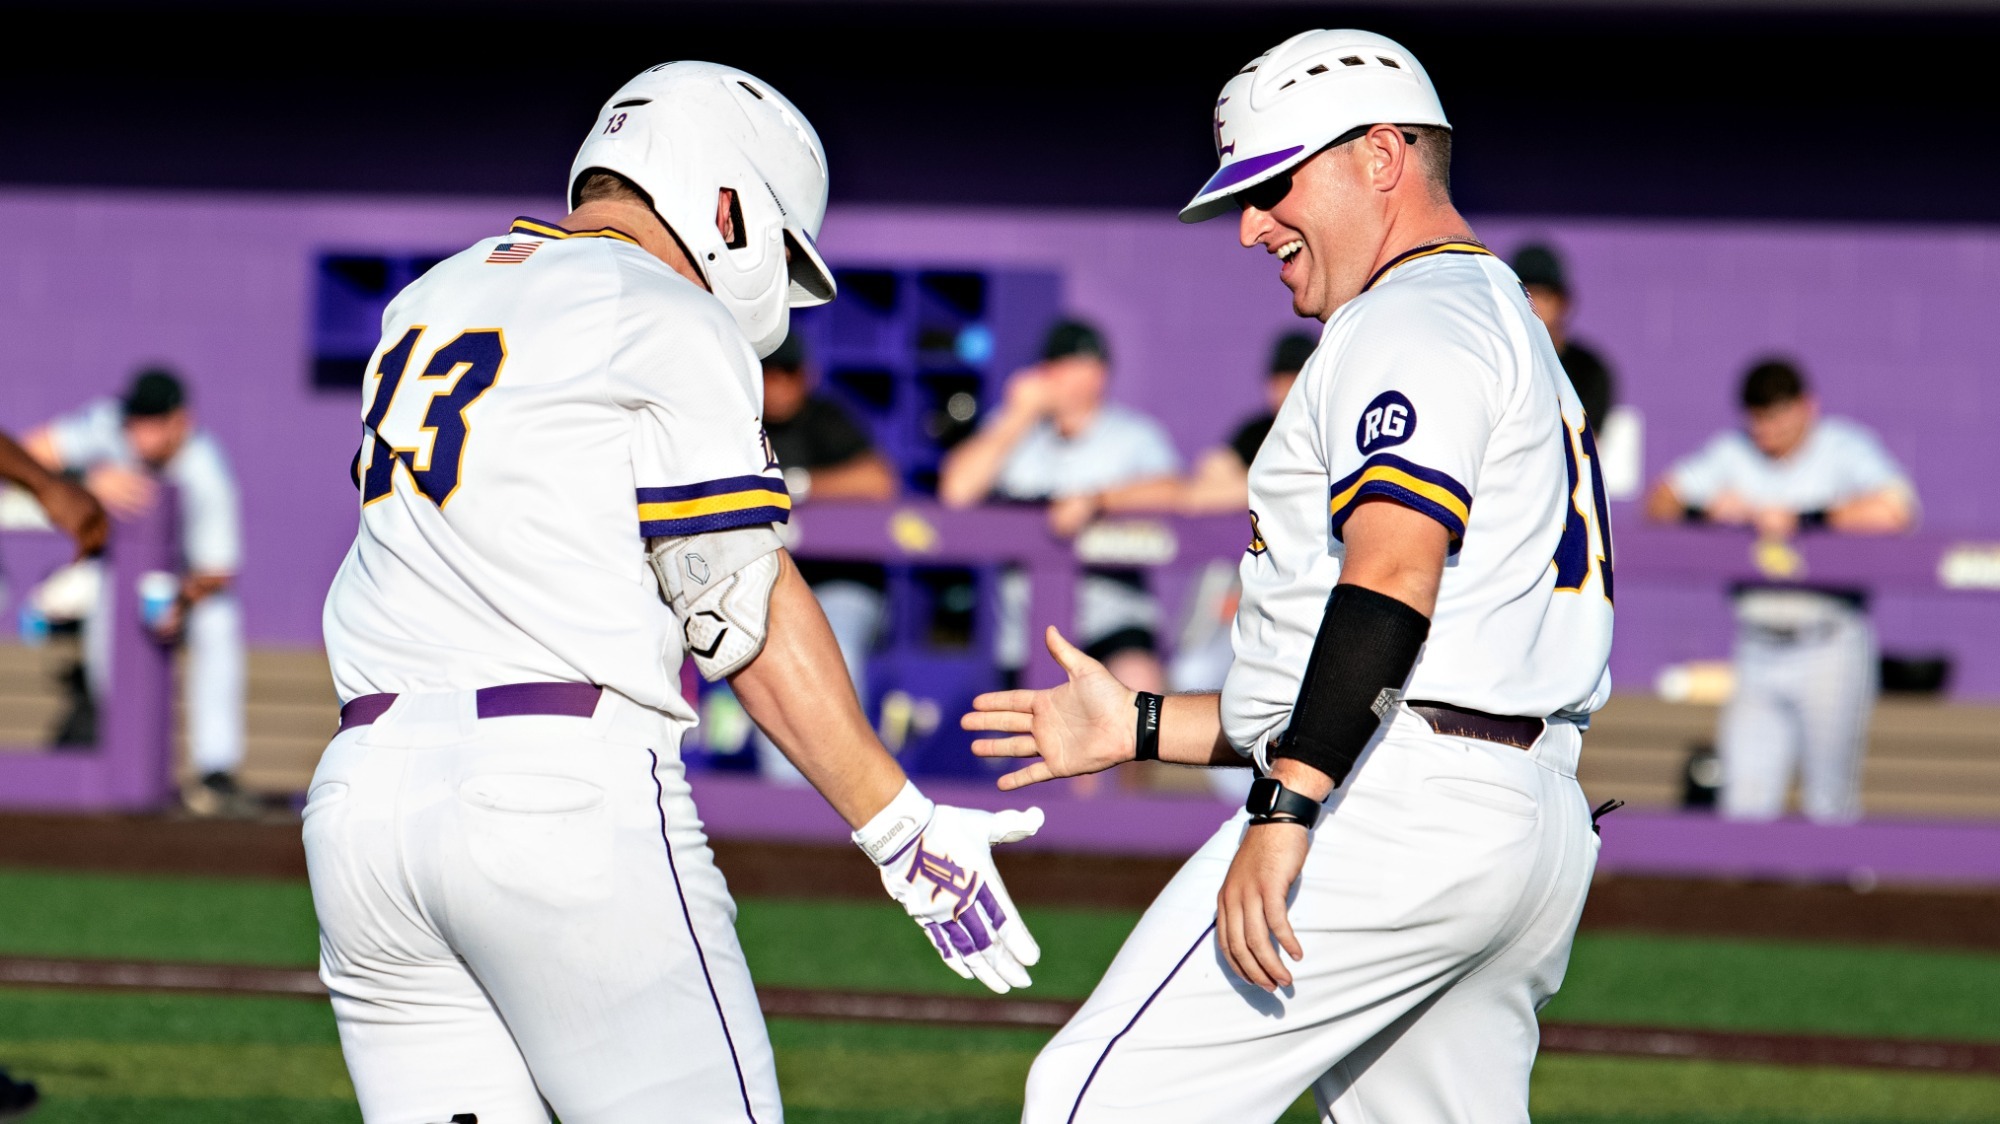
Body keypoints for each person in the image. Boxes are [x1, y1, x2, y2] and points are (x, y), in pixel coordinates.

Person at [311, 62, 1040, 1123]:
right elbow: (733, 596)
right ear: (727, 200)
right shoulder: (658, 307)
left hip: (358, 803)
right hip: (557, 786)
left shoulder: (428, 294)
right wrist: (897, 824)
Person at [964, 29, 1613, 1122]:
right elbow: (1397, 659)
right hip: (1521, 811)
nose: (1249, 226)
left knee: (1091, 1098)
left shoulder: (1405, 316)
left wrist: (1282, 804)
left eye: (1273, 182)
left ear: (1379, 156)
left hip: (1395, 804)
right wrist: (1144, 723)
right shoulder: (1499, 322)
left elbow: (1393, 577)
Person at [1645, 358, 1914, 823]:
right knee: (1744, 803)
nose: (1766, 429)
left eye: (1777, 416)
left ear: (1807, 407)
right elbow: (1660, 503)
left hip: (1829, 641)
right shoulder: (1733, 451)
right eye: (1758, 417)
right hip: (1757, 646)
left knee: (1829, 804)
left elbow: (1896, 512)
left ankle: (1832, 895)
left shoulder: (1844, 447)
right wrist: (1705, 511)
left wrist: (1803, 519)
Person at [23, 370, 246, 813]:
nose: (138, 432)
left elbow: (218, 572)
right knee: (77, 596)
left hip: (182, 589)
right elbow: (31, 453)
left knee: (219, 621)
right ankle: (105, 732)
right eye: (135, 420)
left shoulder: (206, 469)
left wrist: (180, 600)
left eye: (152, 421)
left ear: (180, 421)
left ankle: (214, 773)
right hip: (107, 575)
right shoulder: (108, 426)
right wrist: (84, 479)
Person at [938, 319, 1181, 693]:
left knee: (1141, 690)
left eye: (1089, 366)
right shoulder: (1015, 431)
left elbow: (1175, 491)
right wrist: (1017, 414)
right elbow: (956, 491)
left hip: (1111, 621)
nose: (1078, 379)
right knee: (1031, 738)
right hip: (1027, 633)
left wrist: (1098, 500)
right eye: (1064, 366)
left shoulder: (1133, 435)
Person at [753, 332, 895, 783]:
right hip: (766, 582)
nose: (778, 385)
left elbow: (878, 481)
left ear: (806, 375)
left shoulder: (826, 418)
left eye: (788, 373)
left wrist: (802, 484)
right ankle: (786, 805)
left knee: (838, 650)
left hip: (841, 585)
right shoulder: (740, 421)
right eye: (768, 373)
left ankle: (853, 783)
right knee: (761, 658)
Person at [1512, 243, 1616, 425]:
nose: (1533, 306)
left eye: (1543, 296)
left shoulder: (1588, 370)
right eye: (1525, 295)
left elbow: (1584, 443)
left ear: (1563, 302)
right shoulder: (1500, 360)